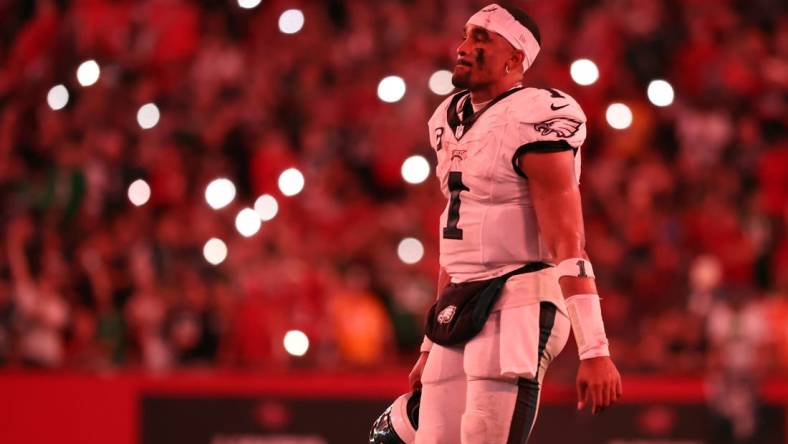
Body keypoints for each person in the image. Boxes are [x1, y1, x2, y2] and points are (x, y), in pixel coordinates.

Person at [408, 4, 622, 443]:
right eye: (466, 36)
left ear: (515, 59)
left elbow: (568, 242)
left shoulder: (536, 117)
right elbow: (459, 243)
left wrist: (595, 348)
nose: (464, 48)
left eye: (481, 40)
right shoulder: (448, 120)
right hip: (462, 299)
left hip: (519, 298)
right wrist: (429, 344)